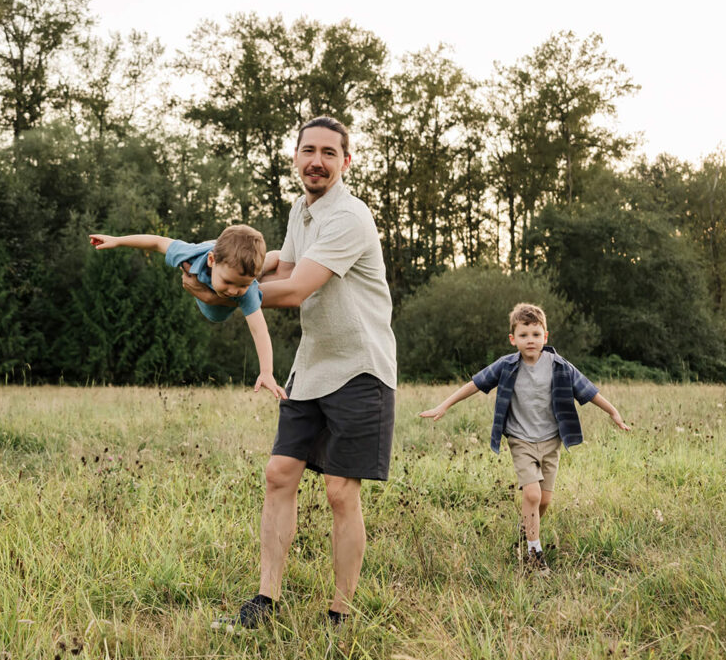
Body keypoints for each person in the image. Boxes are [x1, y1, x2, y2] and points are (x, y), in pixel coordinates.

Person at [183, 117, 396, 628]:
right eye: (308, 151)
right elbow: (280, 262)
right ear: (295, 157)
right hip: (312, 367)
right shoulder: (303, 210)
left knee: (341, 492)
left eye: (328, 152)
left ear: (346, 162)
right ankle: (265, 601)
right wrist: (223, 264)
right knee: (279, 475)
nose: (316, 161)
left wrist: (225, 292)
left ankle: (341, 613)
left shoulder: (349, 216)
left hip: (360, 369)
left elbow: (298, 288)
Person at [419, 302, 629, 573]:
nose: (530, 340)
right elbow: (475, 384)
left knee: (544, 501)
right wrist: (444, 405)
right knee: (531, 493)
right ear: (513, 339)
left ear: (546, 336)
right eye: (523, 335)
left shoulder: (560, 366)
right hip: (520, 440)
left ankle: (526, 531)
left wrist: (613, 412)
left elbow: (588, 390)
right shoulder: (506, 366)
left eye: (535, 334)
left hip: (551, 441)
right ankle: (534, 554)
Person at [88, 225, 285, 400]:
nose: (233, 291)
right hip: (211, 253)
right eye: (228, 282)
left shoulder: (246, 288)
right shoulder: (189, 256)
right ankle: (268, 259)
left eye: (242, 285)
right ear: (211, 261)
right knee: (247, 273)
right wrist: (117, 241)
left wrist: (266, 371)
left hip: (228, 276)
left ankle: (278, 256)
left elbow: (260, 330)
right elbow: (157, 242)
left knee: (259, 272)